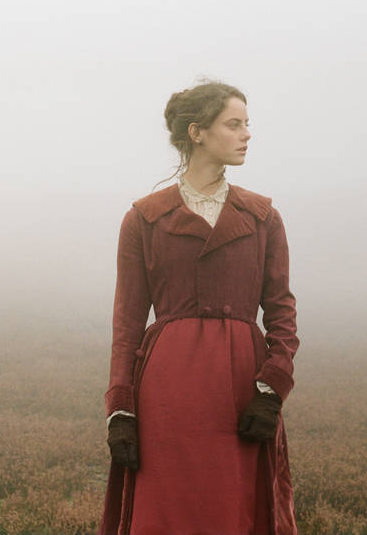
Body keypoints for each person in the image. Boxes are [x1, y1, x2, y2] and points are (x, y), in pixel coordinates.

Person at [98, 80, 300, 534]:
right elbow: (127, 324)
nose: (246, 134)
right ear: (197, 132)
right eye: (234, 124)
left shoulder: (262, 217)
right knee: (168, 510)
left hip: (241, 389)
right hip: (167, 395)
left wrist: (272, 389)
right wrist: (121, 410)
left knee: (235, 509)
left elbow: (282, 314)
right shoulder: (144, 218)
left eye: (247, 124)